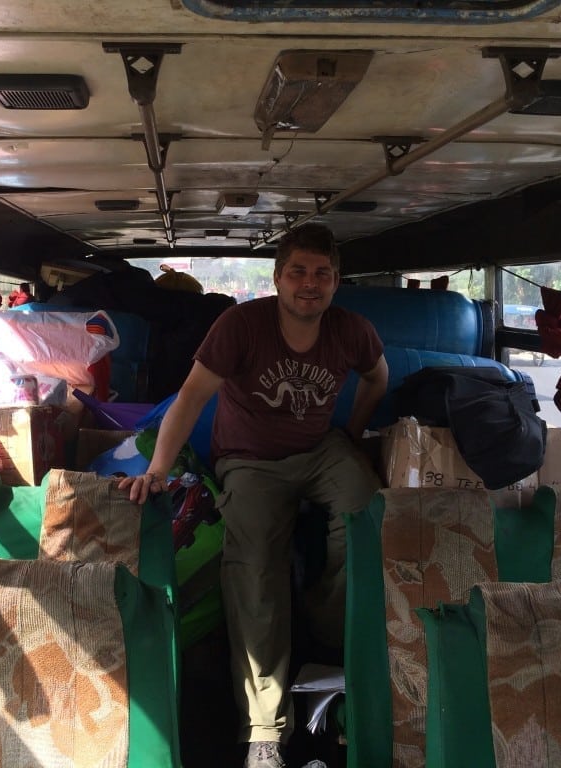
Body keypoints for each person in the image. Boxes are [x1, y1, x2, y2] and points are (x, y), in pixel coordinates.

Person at [120, 223, 388, 768]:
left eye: (321, 274)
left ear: (336, 281)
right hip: (250, 460)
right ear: (278, 278)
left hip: (321, 449)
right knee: (255, 563)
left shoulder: (351, 330)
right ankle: (264, 725)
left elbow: (376, 379)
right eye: (298, 273)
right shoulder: (242, 325)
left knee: (370, 513)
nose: (308, 285)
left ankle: (323, 626)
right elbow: (192, 397)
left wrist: (354, 439)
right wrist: (158, 470)